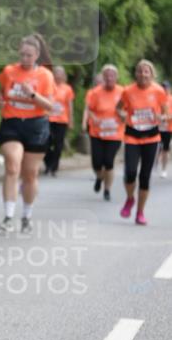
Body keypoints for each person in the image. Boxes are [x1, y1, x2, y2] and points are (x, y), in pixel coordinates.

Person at [0, 35, 55, 234]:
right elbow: (0, 90)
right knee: (12, 165)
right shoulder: (9, 71)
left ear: (37, 55)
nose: (25, 58)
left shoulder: (45, 75)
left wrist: (32, 95)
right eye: (22, 54)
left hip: (36, 126)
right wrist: (0, 101)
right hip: (12, 123)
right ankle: (8, 217)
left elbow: (50, 106)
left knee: (30, 174)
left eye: (29, 55)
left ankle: (27, 216)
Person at [116, 60, 168, 225]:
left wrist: (163, 118)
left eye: (146, 72)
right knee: (130, 173)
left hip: (152, 138)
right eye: (140, 71)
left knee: (145, 177)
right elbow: (118, 108)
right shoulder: (127, 91)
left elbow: (166, 113)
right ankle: (130, 199)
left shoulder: (159, 91)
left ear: (152, 75)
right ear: (135, 73)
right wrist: (122, 115)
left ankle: (140, 212)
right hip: (132, 136)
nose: (143, 74)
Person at [82, 64, 123, 202]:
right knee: (97, 163)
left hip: (115, 133)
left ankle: (107, 190)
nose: (110, 78)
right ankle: (99, 177)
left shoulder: (123, 92)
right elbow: (90, 109)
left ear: (116, 77)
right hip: (97, 132)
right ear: (103, 77)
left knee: (108, 161)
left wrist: (122, 114)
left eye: (112, 75)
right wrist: (93, 118)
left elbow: (129, 110)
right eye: (107, 75)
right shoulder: (95, 93)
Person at [43, 66, 74, 176]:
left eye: (60, 73)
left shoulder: (67, 89)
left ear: (64, 75)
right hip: (48, 118)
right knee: (45, 143)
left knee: (58, 145)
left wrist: (71, 120)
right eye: (56, 73)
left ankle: (54, 167)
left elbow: (70, 106)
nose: (58, 75)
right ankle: (48, 162)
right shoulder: (48, 86)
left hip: (62, 120)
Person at [157, 80, 171, 178]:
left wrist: (167, 117)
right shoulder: (156, 99)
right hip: (157, 127)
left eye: (165, 88)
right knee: (158, 148)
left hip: (168, 128)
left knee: (165, 149)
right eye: (162, 88)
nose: (164, 89)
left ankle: (164, 169)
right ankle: (155, 163)